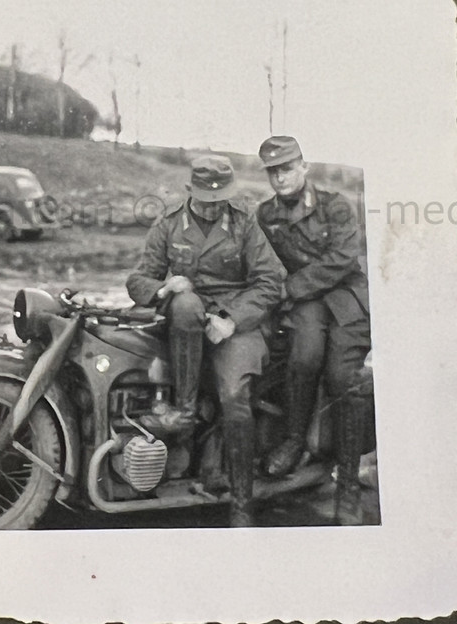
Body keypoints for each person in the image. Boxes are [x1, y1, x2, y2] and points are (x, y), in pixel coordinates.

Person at [126, 154, 284, 527]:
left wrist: (231, 320)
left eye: (220, 200)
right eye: (206, 200)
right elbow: (137, 280)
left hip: (235, 323)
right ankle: (183, 409)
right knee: (184, 303)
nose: (213, 208)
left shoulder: (245, 224)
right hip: (185, 326)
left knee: (233, 395)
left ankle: (242, 502)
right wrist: (163, 286)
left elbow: (270, 281)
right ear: (189, 192)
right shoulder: (167, 223)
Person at [257, 135, 371, 526]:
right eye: (272, 172)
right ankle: (292, 440)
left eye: (286, 168)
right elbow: (264, 262)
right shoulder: (266, 214)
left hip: (345, 298)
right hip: (307, 305)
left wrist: (292, 287)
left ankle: (349, 485)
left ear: (303, 167)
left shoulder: (335, 205)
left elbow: (343, 258)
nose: (280, 178)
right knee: (303, 358)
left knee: (344, 377)